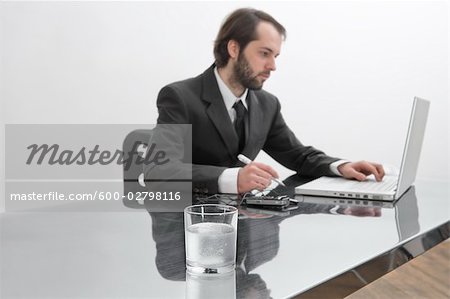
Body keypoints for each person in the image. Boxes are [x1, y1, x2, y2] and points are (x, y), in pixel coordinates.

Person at [153, 8, 384, 195]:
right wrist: (233, 178)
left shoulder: (267, 104)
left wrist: (341, 166)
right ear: (234, 48)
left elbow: (298, 155)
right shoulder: (179, 97)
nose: (273, 66)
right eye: (264, 53)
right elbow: (159, 169)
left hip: (244, 227)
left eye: (275, 56)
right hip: (186, 227)